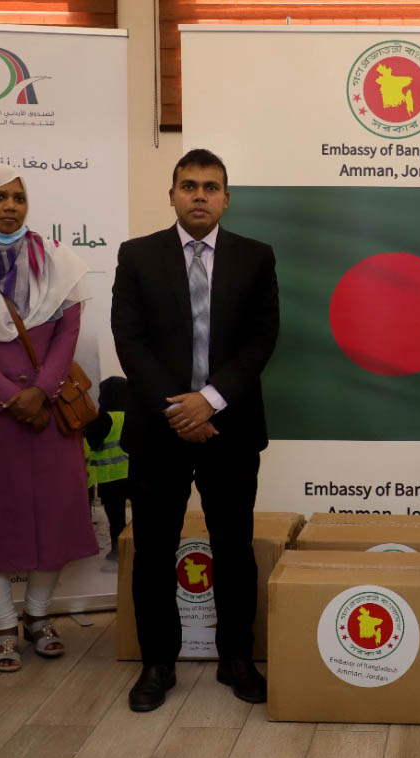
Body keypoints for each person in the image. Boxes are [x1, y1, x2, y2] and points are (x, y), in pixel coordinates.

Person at [111, 149, 279, 710]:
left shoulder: (255, 257)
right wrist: (179, 411)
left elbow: (261, 340)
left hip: (230, 427)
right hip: (158, 431)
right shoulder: (137, 255)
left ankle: (237, 660)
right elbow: (130, 341)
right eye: (189, 186)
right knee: (154, 549)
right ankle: (157, 663)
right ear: (172, 195)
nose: (199, 195)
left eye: (210, 187)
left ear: (226, 198)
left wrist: (208, 402)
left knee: (233, 547)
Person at [0, 165, 97, 672]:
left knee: (56, 511)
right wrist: (10, 397)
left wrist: (41, 392)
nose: (10, 206)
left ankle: (38, 614)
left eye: (18, 197)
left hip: (47, 409)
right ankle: (3, 625)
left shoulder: (57, 260)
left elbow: (68, 332)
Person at [85, 375, 131, 562]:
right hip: (135, 475)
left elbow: (92, 442)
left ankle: (118, 552)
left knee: (117, 519)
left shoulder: (104, 419)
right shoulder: (133, 416)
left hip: (111, 478)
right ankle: (136, 547)